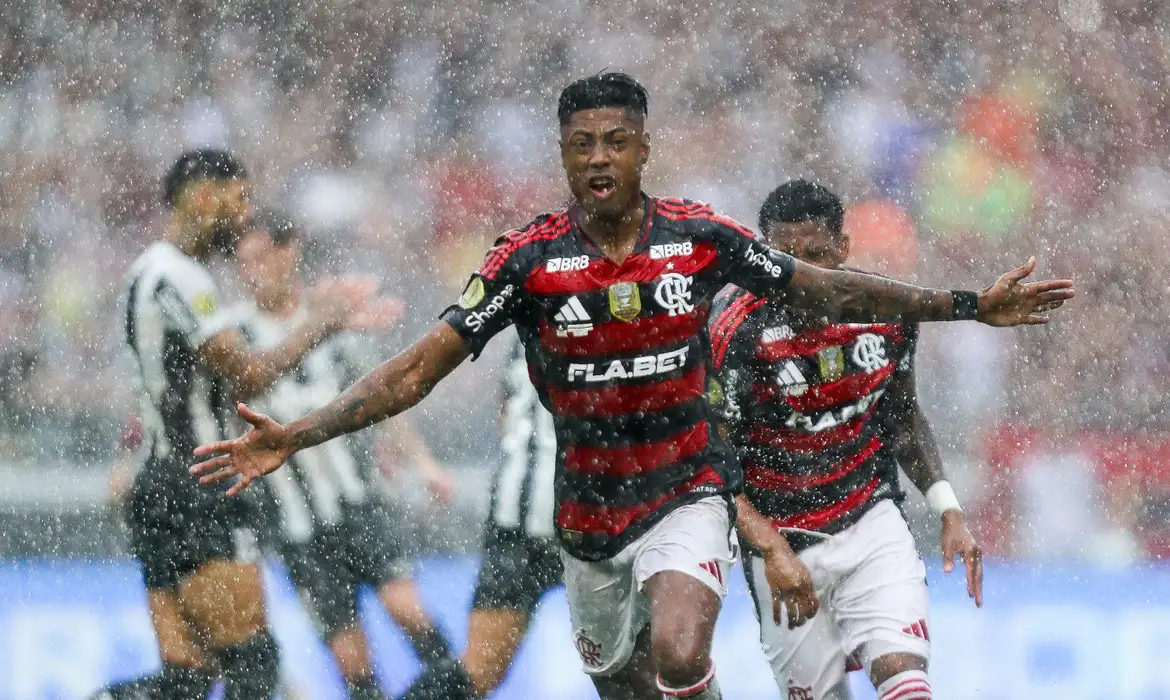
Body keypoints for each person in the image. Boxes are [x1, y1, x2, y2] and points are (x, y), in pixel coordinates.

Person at [188, 73, 1072, 700]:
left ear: (644, 148)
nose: (600, 157)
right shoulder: (526, 261)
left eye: (617, 140)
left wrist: (966, 305)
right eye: (582, 145)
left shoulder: (698, 238)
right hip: (585, 518)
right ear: (564, 157)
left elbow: (827, 287)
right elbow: (419, 369)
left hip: (684, 492)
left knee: (683, 651)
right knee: (629, 683)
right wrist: (297, 433)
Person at [94, 149, 378, 700]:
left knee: (187, 678)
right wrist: (320, 323)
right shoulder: (177, 275)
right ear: (202, 198)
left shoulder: (148, 272)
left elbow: (167, 384)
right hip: (201, 484)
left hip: (163, 482)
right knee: (252, 663)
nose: (246, 216)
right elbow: (247, 375)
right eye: (239, 199)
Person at [708, 180, 985, 700]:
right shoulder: (734, 332)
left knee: (904, 673)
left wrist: (948, 509)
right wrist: (769, 546)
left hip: (870, 521)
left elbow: (902, 419)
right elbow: (708, 461)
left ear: (843, 248)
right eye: (786, 258)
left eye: (816, 255)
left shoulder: (884, 311)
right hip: (782, 539)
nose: (803, 275)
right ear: (763, 256)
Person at [229, 214, 455, 700]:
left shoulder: (334, 321)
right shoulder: (234, 340)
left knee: (408, 611)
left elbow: (382, 400)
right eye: (241, 262)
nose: (250, 272)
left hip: (361, 504)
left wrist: (420, 462)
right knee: (352, 662)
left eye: (259, 258)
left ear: (289, 253)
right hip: (297, 529)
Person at [398, 332, 562, 700]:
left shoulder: (528, 311)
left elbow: (504, 414)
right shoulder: (610, 302)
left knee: (479, 669)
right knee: (481, 669)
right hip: (560, 515)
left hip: (525, 512)